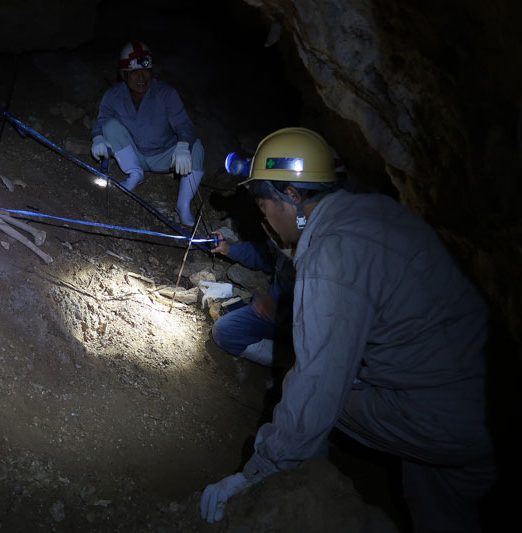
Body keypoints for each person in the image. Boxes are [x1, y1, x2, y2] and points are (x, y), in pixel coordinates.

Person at [199, 127, 496, 532]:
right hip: (484, 403)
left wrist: (256, 472)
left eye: (264, 205)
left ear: (293, 197)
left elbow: (319, 383)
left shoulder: (330, 256)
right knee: (438, 508)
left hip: (436, 412)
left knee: (316, 402)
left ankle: (301, 501)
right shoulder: (373, 211)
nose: (265, 219)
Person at [90, 40, 204, 226]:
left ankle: (183, 205)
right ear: (123, 74)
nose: (141, 77)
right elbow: (101, 120)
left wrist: (183, 146)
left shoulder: (166, 93)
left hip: (164, 155)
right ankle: (135, 174)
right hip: (133, 153)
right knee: (109, 126)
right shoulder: (113, 95)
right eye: (134, 72)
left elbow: (184, 124)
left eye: (146, 71)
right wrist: (98, 138)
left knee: (196, 147)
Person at [209, 228, 295, 367]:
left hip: (312, 328)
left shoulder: (325, 249)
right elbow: (265, 254)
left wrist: (283, 307)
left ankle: (300, 365)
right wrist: (229, 249)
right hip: (275, 316)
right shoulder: (287, 233)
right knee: (225, 330)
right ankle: (286, 359)